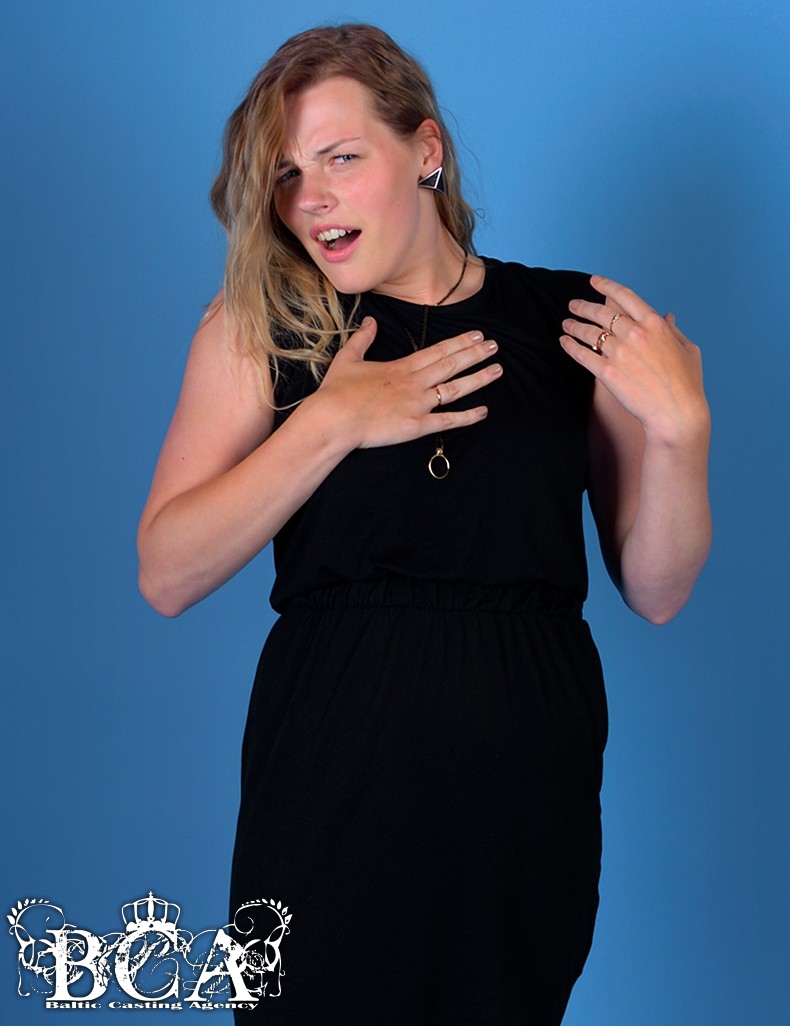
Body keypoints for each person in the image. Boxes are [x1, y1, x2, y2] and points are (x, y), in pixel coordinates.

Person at [137, 23, 711, 1025]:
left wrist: (681, 434)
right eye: (286, 175)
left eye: (340, 158)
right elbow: (166, 571)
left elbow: (657, 590)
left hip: (524, 790)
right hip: (332, 776)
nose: (310, 198)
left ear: (426, 152)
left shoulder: (574, 322)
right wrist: (330, 422)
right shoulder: (260, 327)